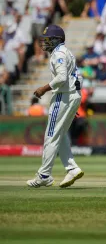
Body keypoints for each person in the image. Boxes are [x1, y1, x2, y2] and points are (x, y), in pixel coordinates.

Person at [27, 25, 84, 188]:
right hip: (72, 96)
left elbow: (61, 77)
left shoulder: (59, 53)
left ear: (56, 40)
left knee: (51, 135)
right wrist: (73, 102)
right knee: (60, 134)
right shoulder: (65, 52)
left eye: (48, 39)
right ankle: (72, 168)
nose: (45, 43)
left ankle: (44, 174)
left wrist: (43, 89)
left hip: (63, 96)